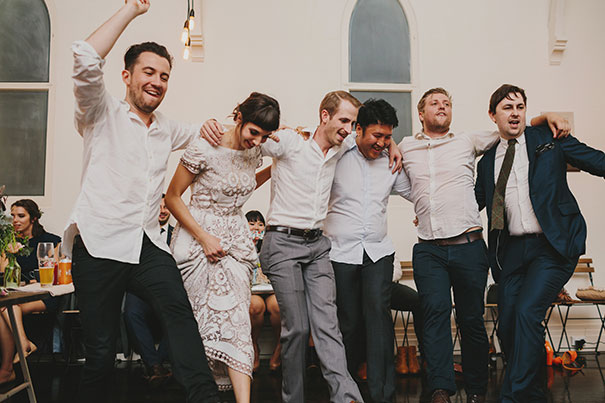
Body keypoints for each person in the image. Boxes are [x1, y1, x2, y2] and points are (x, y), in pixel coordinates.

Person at [200, 90, 403, 403]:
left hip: (317, 245)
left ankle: (346, 397)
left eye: (352, 124)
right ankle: (293, 398)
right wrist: (215, 126)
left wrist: (393, 144)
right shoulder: (290, 142)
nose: (348, 129)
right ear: (324, 116)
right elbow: (249, 136)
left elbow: (374, 136)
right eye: (343, 121)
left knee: (328, 325)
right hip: (282, 244)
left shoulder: (343, 145)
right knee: (297, 327)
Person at [63, 1, 219, 402]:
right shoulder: (100, 112)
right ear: (126, 76)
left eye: (164, 76)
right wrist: (131, 9)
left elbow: (211, 136)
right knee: (101, 353)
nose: (157, 82)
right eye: (148, 72)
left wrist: (264, 133)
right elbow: (84, 55)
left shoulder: (167, 128)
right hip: (98, 244)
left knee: (181, 318)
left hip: (147, 244)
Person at [399, 87, 570, 403]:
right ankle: (440, 389)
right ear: (420, 113)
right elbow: (390, 168)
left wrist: (546, 116)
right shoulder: (406, 147)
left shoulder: (468, 141)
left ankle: (477, 389)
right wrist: (426, 204)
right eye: (434, 103)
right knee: (435, 314)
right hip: (429, 249)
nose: (442, 106)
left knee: (471, 320)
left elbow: (512, 127)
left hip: (469, 247)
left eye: (447, 103)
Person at [475, 84, 605, 403]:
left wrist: (546, 118)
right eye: (507, 107)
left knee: (527, 313)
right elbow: (472, 202)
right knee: (508, 323)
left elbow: (594, 160)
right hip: (512, 253)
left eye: (520, 107)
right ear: (492, 115)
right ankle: (533, 394)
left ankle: (512, 396)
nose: (515, 113)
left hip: (552, 246)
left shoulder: (548, 138)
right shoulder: (487, 161)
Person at [165, 92, 280, 402]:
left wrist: (275, 167)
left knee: (239, 320)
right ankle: (202, 394)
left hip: (235, 241)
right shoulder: (204, 146)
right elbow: (172, 197)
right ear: (239, 117)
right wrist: (204, 238)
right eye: (253, 132)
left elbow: (242, 184)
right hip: (198, 239)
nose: (257, 141)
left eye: (264, 136)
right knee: (203, 325)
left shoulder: (254, 150)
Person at [324, 98, 412, 403]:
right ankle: (345, 393)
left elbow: (415, 191)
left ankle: (382, 395)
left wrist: (396, 147)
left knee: (378, 318)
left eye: (388, 137)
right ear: (358, 129)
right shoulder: (338, 152)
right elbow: (319, 136)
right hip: (340, 253)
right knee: (347, 323)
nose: (382, 143)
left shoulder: (390, 160)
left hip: (378, 252)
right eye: (377, 136)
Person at [123, 194, 173, 386]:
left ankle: (155, 364)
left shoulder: (178, 235)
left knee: (179, 312)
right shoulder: (137, 235)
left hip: (168, 290)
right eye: (158, 207)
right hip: (141, 290)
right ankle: (156, 365)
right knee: (131, 312)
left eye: (166, 207)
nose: (162, 211)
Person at [1, 199, 61, 357]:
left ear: (33, 218)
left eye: (21, 216)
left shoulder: (50, 241)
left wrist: (31, 279)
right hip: (18, 294)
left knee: (6, 307)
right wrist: (8, 252)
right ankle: (17, 354)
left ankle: (20, 350)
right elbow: (4, 274)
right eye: (13, 216)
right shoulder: (9, 242)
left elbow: (52, 272)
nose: (15, 220)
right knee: (6, 306)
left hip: (44, 295)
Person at [245, 210, 282, 372]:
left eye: (260, 224)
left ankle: (280, 348)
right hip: (252, 291)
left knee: (277, 307)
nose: (256, 227)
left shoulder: (270, 245)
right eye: (252, 223)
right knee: (255, 307)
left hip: (271, 289)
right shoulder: (239, 246)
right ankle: (254, 347)